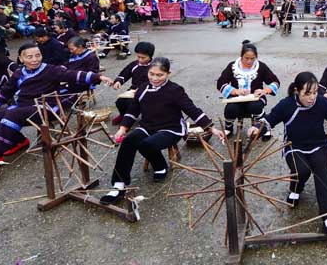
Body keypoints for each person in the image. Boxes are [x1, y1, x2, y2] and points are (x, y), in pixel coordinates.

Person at [248, 72, 327, 235]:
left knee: (321, 170)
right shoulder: (286, 105)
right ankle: (295, 189)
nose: (312, 97)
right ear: (296, 91)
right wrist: (256, 129)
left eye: (315, 92)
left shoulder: (322, 102)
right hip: (294, 146)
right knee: (301, 170)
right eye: (307, 93)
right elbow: (270, 120)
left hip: (318, 145)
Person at [102, 57, 225, 204]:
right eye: (151, 74)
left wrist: (212, 128)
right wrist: (122, 129)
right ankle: (118, 185)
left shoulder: (175, 90)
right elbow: (133, 110)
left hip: (171, 128)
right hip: (148, 126)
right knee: (129, 141)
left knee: (147, 144)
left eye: (159, 75)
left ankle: (160, 166)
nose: (154, 78)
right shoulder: (142, 88)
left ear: (168, 74)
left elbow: (192, 110)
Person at [0, 42, 112, 170]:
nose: (35, 59)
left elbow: (72, 75)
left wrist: (98, 77)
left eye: (37, 55)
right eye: (29, 57)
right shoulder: (18, 73)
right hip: (23, 107)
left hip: (46, 108)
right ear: (21, 59)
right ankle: (18, 142)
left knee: (13, 114)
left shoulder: (51, 70)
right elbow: (5, 92)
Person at [216, 40, 280, 138]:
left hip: (255, 99)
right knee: (231, 108)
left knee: (255, 106)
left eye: (252, 58)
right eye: (246, 58)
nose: (249, 61)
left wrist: (264, 91)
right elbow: (220, 83)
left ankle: (262, 127)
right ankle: (228, 128)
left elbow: (275, 82)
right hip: (237, 98)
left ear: (256, 57)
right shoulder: (232, 66)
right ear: (241, 56)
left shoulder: (261, 67)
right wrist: (235, 91)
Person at [109, 41, 155, 124]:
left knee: (134, 104)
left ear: (150, 56)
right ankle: (123, 115)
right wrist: (118, 81)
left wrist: (141, 89)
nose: (140, 60)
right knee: (120, 102)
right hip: (133, 89)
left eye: (143, 58)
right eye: (138, 57)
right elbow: (125, 73)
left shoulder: (155, 67)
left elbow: (157, 81)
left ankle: (137, 120)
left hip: (149, 90)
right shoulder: (134, 64)